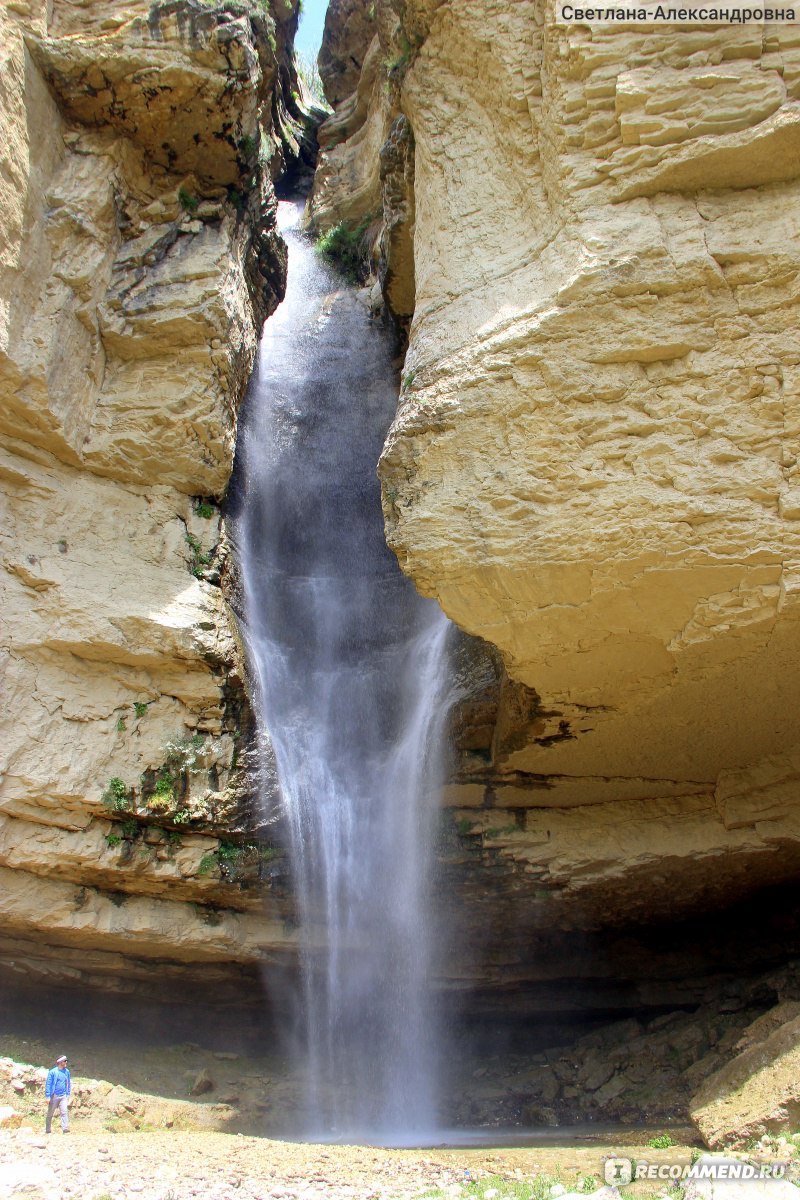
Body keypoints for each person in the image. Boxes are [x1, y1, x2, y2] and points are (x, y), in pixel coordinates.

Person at [44, 1054, 71, 1134]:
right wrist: (48, 1096)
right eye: (65, 1061)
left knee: (64, 1112)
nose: (66, 1062)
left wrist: (68, 1094)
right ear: (60, 1062)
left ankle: (65, 1129)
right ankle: (48, 1129)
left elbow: (68, 1083)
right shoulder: (52, 1072)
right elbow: (48, 1084)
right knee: (50, 1113)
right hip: (54, 1095)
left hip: (63, 1096)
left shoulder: (67, 1072)